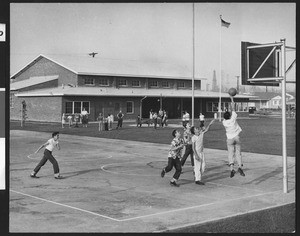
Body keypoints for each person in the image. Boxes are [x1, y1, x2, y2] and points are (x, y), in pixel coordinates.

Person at [222, 95, 245, 178]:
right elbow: (233, 108)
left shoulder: (224, 122)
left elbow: (227, 115)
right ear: (230, 116)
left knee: (230, 153)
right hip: (236, 137)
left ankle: (232, 168)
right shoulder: (233, 119)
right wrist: (232, 99)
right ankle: (240, 167)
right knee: (238, 152)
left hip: (229, 139)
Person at [191, 119, 215, 185]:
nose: (198, 129)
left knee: (203, 166)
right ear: (194, 131)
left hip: (201, 153)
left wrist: (210, 124)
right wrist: (196, 155)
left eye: (197, 128)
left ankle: (197, 176)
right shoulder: (194, 137)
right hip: (197, 153)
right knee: (198, 166)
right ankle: (197, 180)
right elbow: (193, 147)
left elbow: (206, 130)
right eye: (196, 129)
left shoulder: (201, 133)